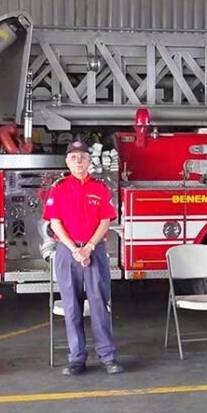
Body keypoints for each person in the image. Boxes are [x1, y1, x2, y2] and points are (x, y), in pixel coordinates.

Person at [43, 139, 123, 376]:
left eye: (83, 157)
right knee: (72, 308)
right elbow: (54, 222)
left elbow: (106, 221)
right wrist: (75, 249)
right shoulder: (58, 188)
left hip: (94, 251)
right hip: (67, 253)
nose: (78, 161)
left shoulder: (100, 188)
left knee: (100, 304)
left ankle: (108, 356)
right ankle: (77, 358)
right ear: (67, 162)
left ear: (90, 161)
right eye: (73, 157)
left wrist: (88, 248)